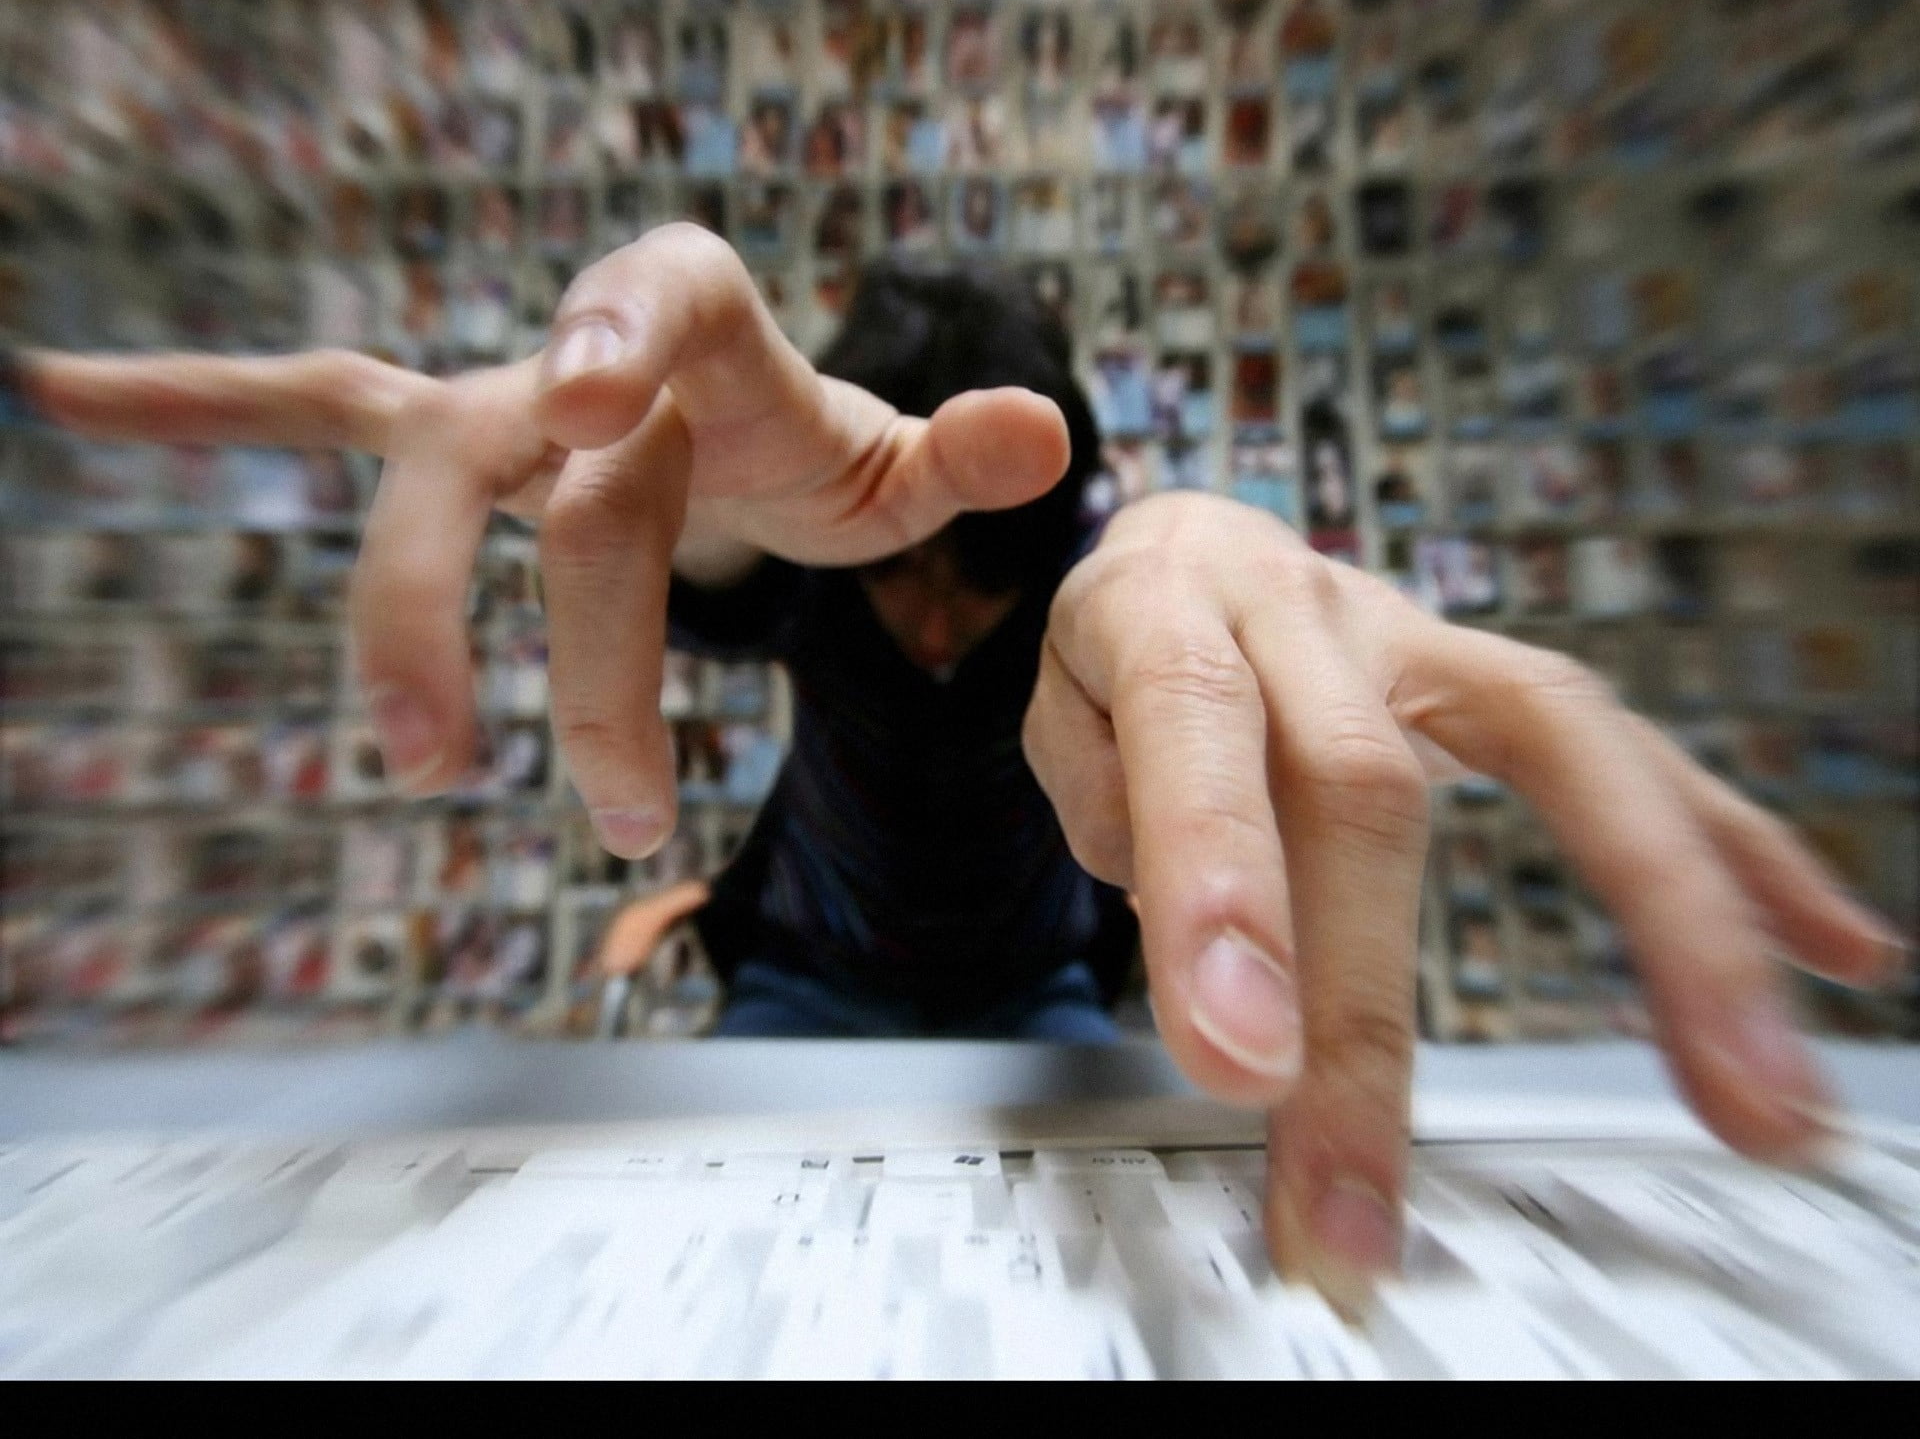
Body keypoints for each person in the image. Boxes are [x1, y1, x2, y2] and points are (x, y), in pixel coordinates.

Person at [9, 226, 1904, 1315]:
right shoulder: (805, 579)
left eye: (970, 581)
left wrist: (1195, 561)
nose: (926, 618)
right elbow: (724, 567)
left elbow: (1154, 579)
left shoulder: (1085, 574)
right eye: (894, 571)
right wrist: (643, 492)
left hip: (1039, 992)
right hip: (802, 978)